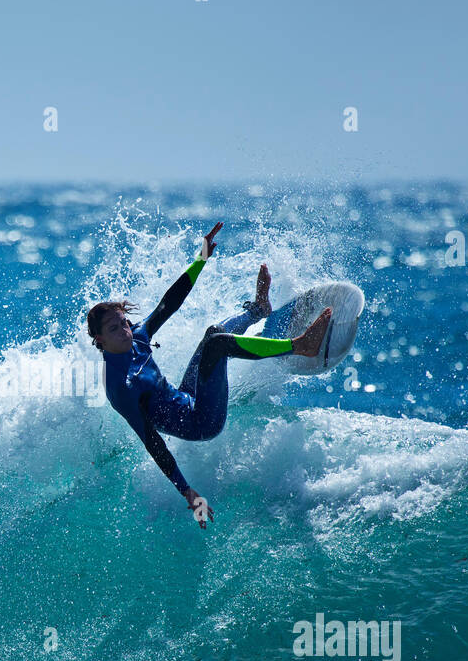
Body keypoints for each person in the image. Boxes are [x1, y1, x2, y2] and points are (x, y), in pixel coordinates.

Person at [86, 222, 333, 528]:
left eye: (124, 322)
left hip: (188, 397)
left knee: (213, 334)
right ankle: (300, 346)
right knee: (217, 346)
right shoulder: (119, 387)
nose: (124, 330)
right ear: (99, 341)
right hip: (200, 422)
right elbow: (152, 443)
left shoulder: (136, 337)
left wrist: (201, 258)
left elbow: (169, 303)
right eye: (114, 329)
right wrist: (187, 491)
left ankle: (258, 309)